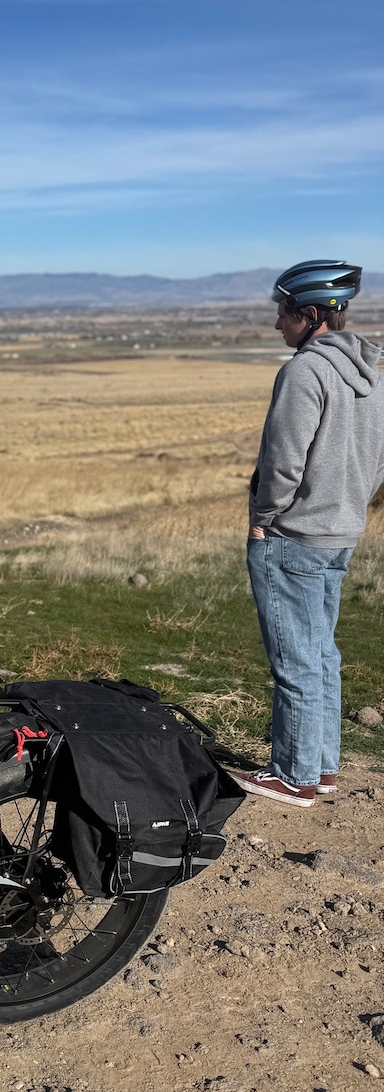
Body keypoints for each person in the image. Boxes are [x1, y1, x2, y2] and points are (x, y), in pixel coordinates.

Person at [232, 259, 383, 807]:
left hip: (292, 537)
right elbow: (378, 462)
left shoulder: (303, 372)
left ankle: (292, 776)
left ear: (311, 314)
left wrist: (264, 517)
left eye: (283, 311)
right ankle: (321, 768)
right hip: (340, 533)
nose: (277, 323)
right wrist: (344, 506)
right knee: (322, 655)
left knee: (296, 659)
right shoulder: (371, 373)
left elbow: (282, 461)